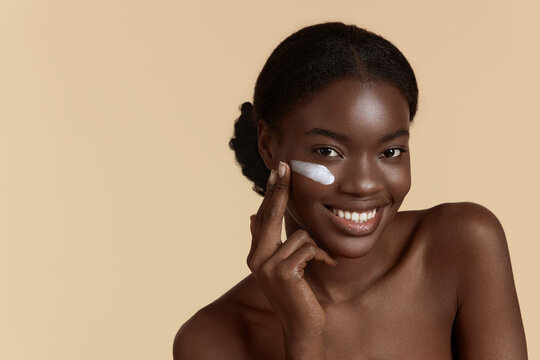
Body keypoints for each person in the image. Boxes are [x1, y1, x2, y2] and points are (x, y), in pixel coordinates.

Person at [173, 22, 527, 359]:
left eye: (390, 152)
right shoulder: (212, 338)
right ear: (268, 146)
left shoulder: (461, 246)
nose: (364, 185)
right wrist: (304, 334)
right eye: (328, 151)